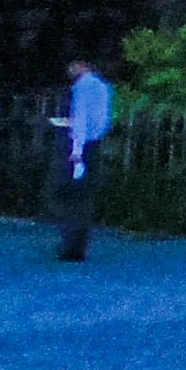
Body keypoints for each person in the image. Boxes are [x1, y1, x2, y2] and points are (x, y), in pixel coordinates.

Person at [44, 54, 115, 261]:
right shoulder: (103, 87)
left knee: (66, 195)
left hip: (80, 144)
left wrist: (76, 150)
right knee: (83, 197)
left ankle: (71, 245)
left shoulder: (83, 87)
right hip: (93, 143)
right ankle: (77, 244)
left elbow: (81, 118)